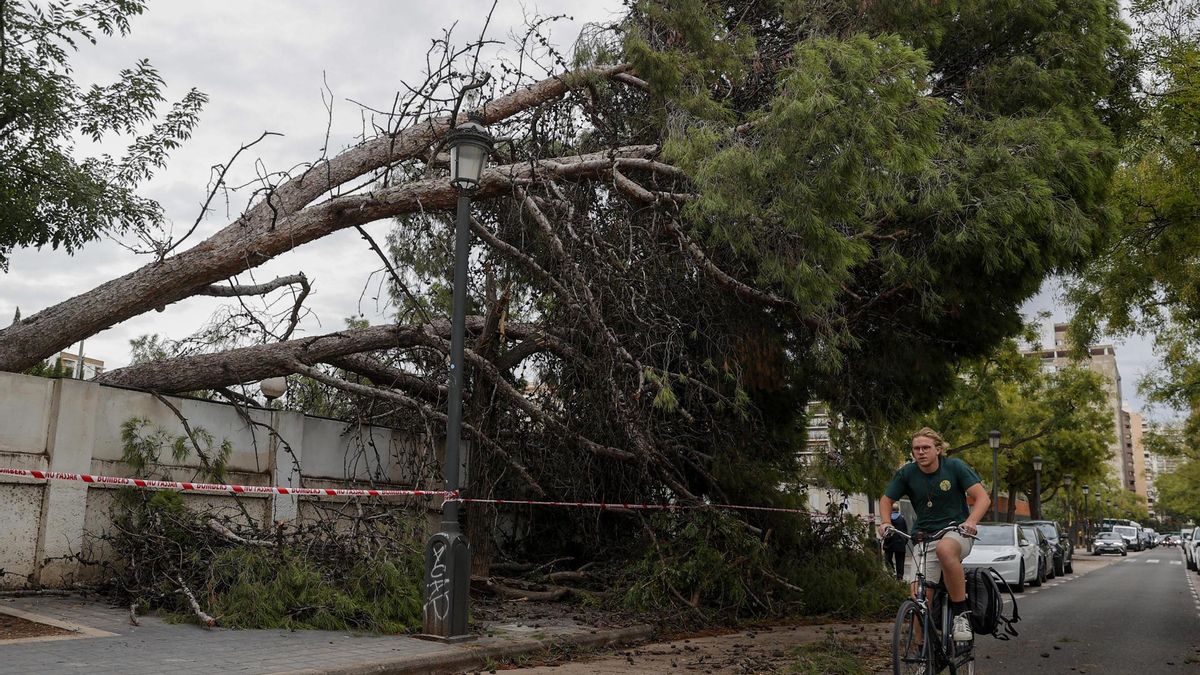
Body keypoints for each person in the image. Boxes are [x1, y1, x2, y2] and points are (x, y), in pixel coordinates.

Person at [878, 427, 990, 643]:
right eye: (916, 448)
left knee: (944, 549)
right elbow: (885, 500)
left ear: (938, 449)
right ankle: (924, 653)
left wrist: (971, 521)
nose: (920, 452)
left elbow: (982, 498)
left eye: (926, 448)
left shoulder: (954, 467)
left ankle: (960, 615)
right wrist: (885, 522)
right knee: (919, 600)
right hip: (923, 537)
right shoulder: (907, 473)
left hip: (956, 533)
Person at [884, 504, 908, 580]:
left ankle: (891, 572)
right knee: (900, 560)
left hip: (889, 542)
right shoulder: (902, 519)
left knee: (888, 559)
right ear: (898, 509)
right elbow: (905, 531)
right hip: (900, 542)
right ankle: (900, 576)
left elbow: (885, 531)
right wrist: (905, 542)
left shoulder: (888, 519)